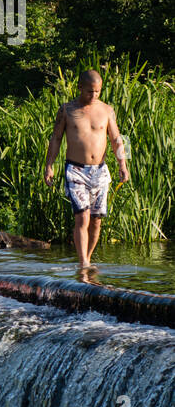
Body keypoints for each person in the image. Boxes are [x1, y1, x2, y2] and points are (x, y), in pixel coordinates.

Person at [44, 69, 131, 273]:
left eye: (98, 92)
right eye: (90, 91)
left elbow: (116, 139)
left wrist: (122, 165)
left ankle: (87, 260)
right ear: (80, 88)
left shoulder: (107, 110)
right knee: (82, 217)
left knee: (97, 221)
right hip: (75, 169)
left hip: (100, 171)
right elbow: (56, 138)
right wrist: (49, 165)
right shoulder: (67, 110)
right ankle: (83, 263)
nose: (94, 96)